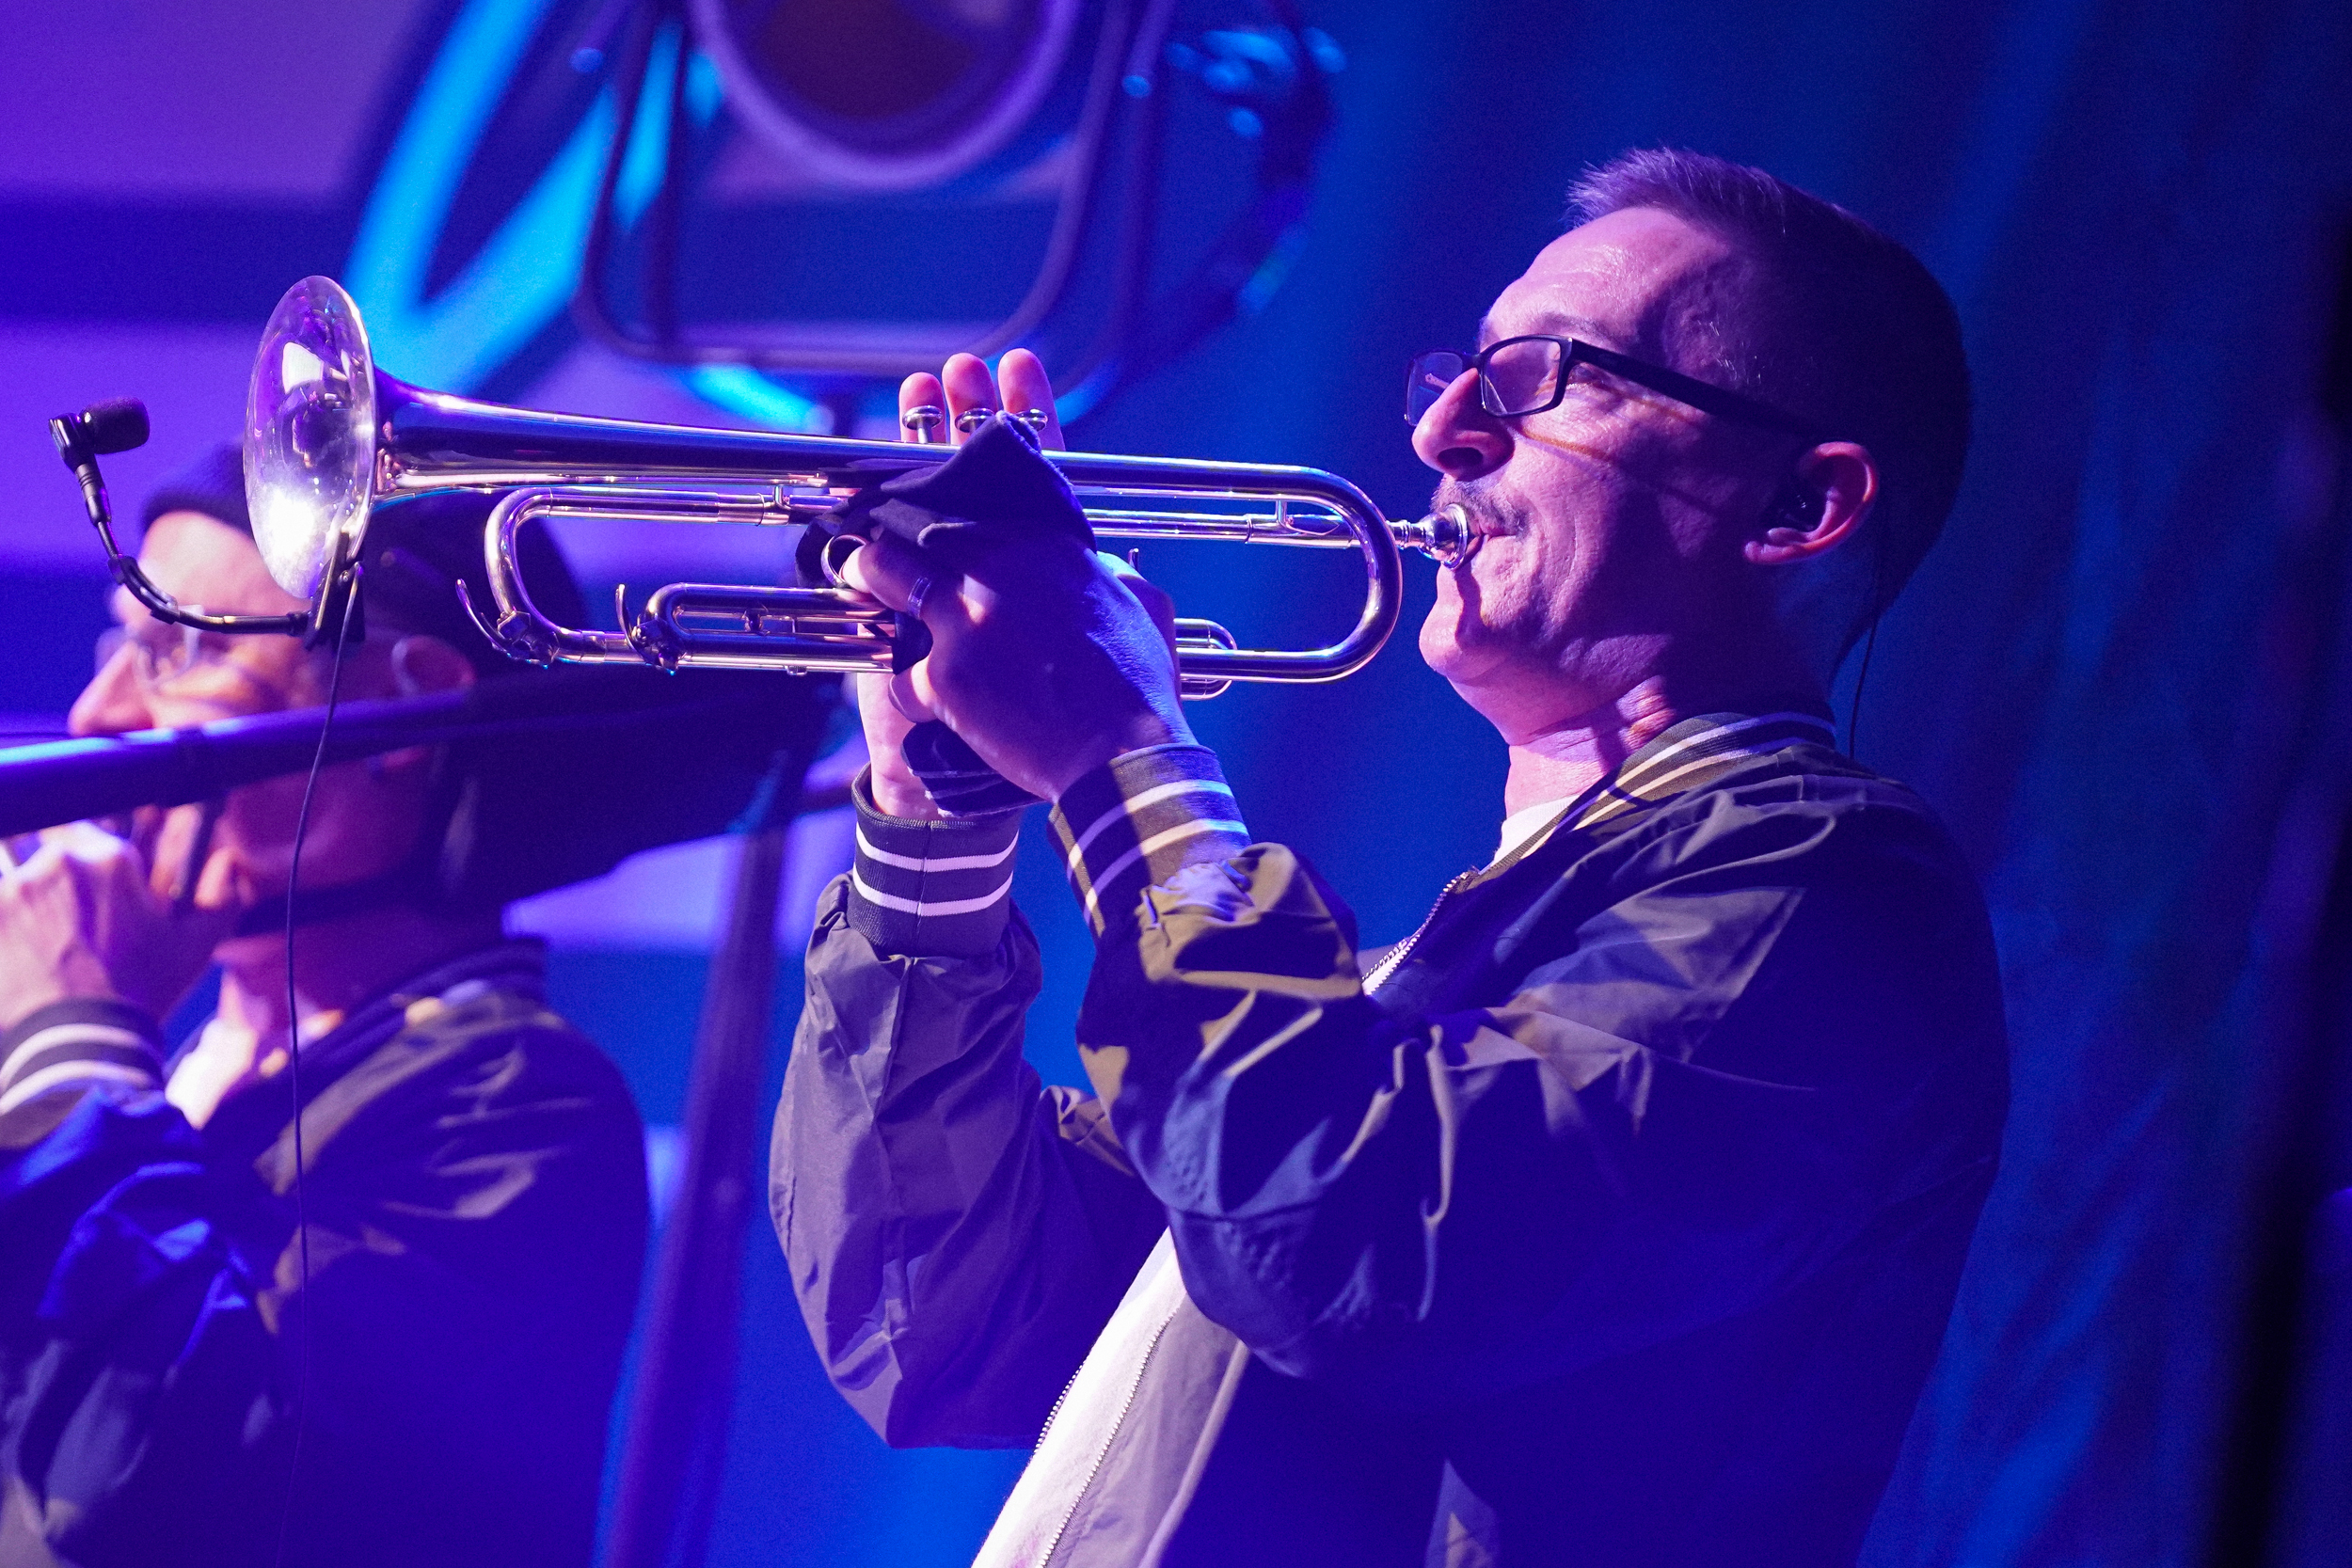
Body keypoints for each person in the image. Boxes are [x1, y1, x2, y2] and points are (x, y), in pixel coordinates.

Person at [771, 148, 2009, 1567]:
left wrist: (1126, 754)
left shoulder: (1842, 895)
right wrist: (934, 832)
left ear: (1800, 507)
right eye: (1461, 373)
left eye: (1554, 374)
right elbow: (942, 1329)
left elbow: (1345, 1244)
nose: (1445, 436)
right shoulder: (1401, 991)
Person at [0, 451, 651, 1567]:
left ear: (404, 705)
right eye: (123, 643)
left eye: (187, 647)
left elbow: (152, 1485)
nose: (98, 711)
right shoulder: (170, 1058)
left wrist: (70, 1053)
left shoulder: (521, 1103)